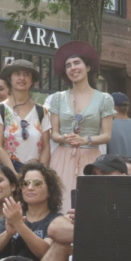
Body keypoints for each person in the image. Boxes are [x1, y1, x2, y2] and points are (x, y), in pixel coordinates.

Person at [48, 41, 115, 213]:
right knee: (60, 205)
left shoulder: (104, 99)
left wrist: (85, 139)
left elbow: (107, 135)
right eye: (68, 65)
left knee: (90, 207)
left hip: (91, 158)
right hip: (62, 156)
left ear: (88, 67)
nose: (73, 68)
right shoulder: (57, 98)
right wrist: (65, 138)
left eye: (77, 63)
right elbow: (54, 134)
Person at [0, 60, 51, 175]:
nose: (22, 78)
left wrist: (41, 174)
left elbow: (46, 148)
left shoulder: (42, 111)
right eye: (17, 74)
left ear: (32, 81)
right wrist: (14, 174)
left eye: (27, 74)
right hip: (7, 171)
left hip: (34, 171)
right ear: (9, 79)